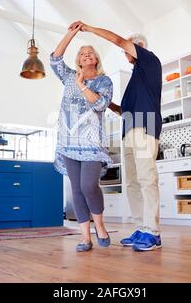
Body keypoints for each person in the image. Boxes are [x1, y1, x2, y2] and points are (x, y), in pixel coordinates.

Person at [69, 21, 163, 252]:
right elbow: (125, 110)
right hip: (129, 129)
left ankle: (153, 232)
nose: (124, 53)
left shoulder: (149, 60)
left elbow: (119, 40)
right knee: (132, 182)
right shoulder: (136, 78)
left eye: (127, 50)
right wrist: (106, 103)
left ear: (137, 46)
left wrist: (89, 28)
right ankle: (141, 227)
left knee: (146, 179)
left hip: (145, 126)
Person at [50, 23, 114, 252]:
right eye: (82, 53)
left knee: (89, 186)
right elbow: (55, 59)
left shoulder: (103, 81)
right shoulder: (68, 76)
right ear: (78, 60)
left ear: (95, 59)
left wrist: (81, 85)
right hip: (68, 142)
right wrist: (71, 33)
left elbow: (100, 104)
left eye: (90, 53)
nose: (86, 55)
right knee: (76, 189)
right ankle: (85, 237)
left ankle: (100, 227)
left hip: (91, 143)